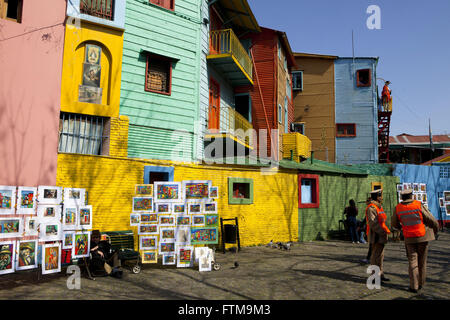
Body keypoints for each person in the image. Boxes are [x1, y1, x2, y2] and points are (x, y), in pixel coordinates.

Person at [391, 189, 439, 293]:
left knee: (412, 261)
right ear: (411, 196)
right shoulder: (418, 205)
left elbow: (394, 224)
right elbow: (431, 219)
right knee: (422, 261)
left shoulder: (398, 208)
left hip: (409, 238)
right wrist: (436, 229)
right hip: (422, 237)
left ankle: (414, 286)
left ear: (402, 197)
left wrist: (402, 227)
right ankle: (421, 283)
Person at [366, 189, 391, 281]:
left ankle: (380, 274)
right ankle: (374, 276)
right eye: (380, 196)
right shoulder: (371, 208)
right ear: (377, 197)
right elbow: (373, 223)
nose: (381, 198)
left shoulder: (379, 207)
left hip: (381, 234)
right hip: (376, 235)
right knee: (375, 256)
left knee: (380, 256)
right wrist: (383, 232)